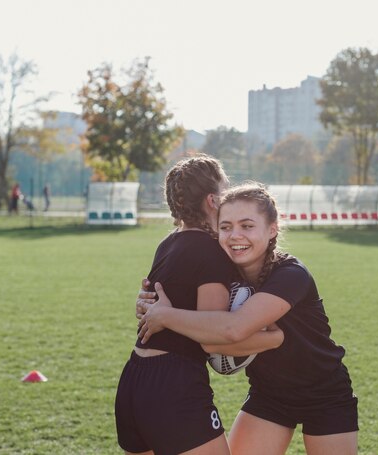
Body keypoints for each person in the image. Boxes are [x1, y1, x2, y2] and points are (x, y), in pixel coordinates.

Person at [137, 182, 359, 455]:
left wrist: (167, 316)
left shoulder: (292, 274)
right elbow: (206, 335)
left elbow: (232, 330)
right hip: (270, 395)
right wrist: (147, 301)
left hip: (326, 394)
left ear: (272, 229)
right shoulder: (220, 273)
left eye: (247, 226)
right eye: (226, 226)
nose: (234, 235)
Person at [115, 156, 283, 455]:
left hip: (134, 378)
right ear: (212, 200)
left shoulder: (168, 243)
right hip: (172, 385)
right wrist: (274, 338)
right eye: (226, 190)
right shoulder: (210, 250)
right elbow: (212, 336)